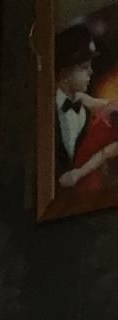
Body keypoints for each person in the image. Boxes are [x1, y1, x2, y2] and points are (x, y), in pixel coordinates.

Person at [55, 24, 118, 193]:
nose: (91, 72)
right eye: (84, 67)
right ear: (64, 73)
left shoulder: (85, 113)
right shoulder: (49, 108)